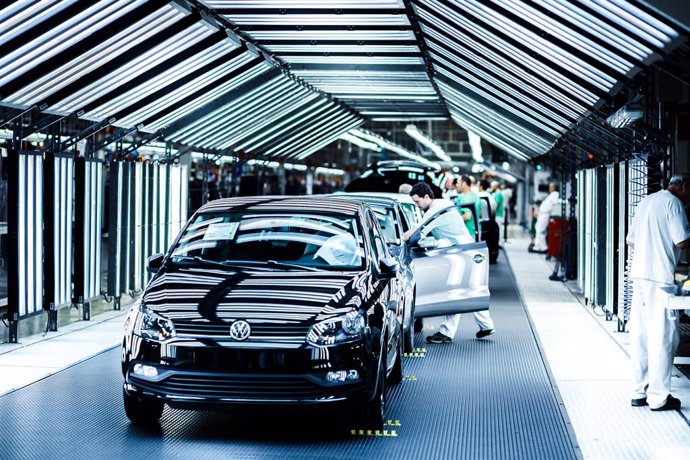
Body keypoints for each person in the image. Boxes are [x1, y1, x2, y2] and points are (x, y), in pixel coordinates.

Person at [626, 173, 690, 411]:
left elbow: (630, 240)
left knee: (641, 335)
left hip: (639, 275)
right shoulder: (674, 203)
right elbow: (681, 241)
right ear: (683, 186)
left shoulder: (647, 201)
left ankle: (638, 391)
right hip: (659, 277)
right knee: (664, 336)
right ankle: (659, 397)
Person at [403, 182, 495, 344]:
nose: (417, 206)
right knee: (472, 289)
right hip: (468, 250)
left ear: (426, 197)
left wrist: (394, 240)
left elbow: (415, 233)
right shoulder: (444, 203)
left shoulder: (435, 211)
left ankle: (446, 332)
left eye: (417, 202)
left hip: (461, 253)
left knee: (454, 291)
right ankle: (486, 325)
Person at [532, 182, 559, 253]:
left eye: (552, 187)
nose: (550, 188)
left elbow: (554, 205)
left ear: (555, 187)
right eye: (550, 187)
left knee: (540, 230)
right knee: (537, 229)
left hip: (545, 214)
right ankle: (537, 246)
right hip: (541, 214)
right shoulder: (551, 195)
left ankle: (544, 247)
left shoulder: (555, 194)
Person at [454, 176, 480, 241]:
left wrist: (453, 220)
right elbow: (480, 213)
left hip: (469, 233)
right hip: (475, 231)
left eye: (457, 183)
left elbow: (467, 216)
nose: (456, 185)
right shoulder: (475, 196)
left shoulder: (467, 198)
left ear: (464, 184)